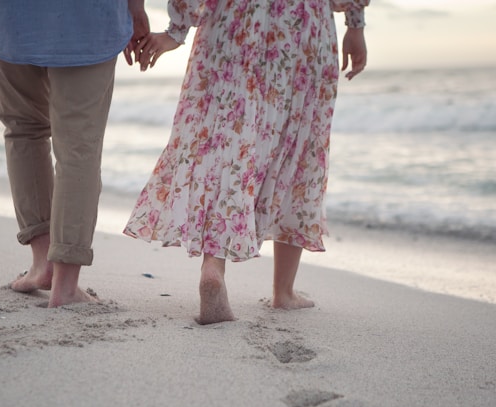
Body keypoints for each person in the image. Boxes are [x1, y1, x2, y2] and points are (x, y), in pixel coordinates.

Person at [124, 0, 370, 324]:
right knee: (298, 148)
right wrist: (355, 24)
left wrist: (177, 29)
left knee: (227, 143)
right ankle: (284, 292)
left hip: (233, 21)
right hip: (305, 26)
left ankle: (213, 268)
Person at [0, 0, 149, 307]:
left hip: (9, 15)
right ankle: (65, 284)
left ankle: (43, 263)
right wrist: (135, 7)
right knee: (79, 146)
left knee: (24, 129)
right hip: (90, 18)